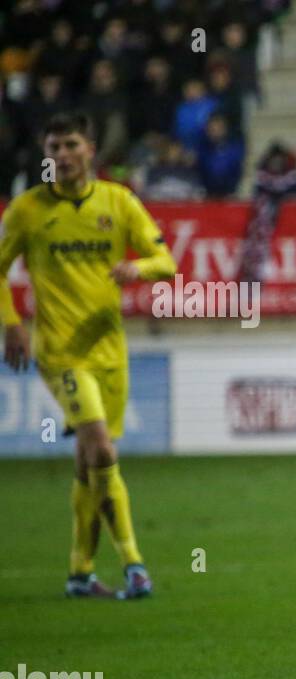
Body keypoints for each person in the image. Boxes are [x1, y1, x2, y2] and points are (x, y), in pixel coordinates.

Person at [0, 112, 177, 599]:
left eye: (69, 145)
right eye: (52, 147)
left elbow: (167, 264)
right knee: (101, 447)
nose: (60, 155)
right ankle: (135, 564)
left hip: (110, 351)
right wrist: (12, 324)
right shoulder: (27, 210)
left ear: (90, 150)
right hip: (59, 351)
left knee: (88, 463)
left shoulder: (118, 203)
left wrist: (136, 269)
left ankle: (80, 572)